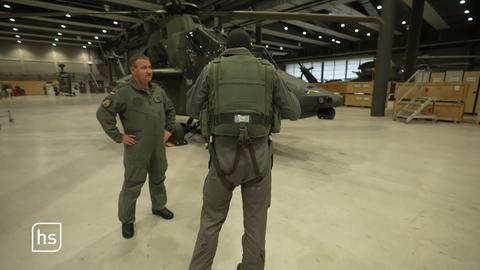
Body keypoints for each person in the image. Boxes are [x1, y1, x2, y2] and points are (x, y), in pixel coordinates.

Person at [187, 28, 301, 270]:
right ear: (249, 47)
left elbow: (191, 107)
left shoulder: (212, 69)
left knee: (210, 221)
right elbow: (294, 110)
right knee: (256, 223)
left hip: (222, 160)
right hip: (258, 161)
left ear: (227, 47)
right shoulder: (268, 71)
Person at [96, 54, 176, 239]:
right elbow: (103, 114)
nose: (149, 71)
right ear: (133, 70)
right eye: (143, 67)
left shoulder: (157, 91)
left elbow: (170, 109)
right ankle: (127, 220)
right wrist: (118, 136)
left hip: (158, 146)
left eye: (149, 67)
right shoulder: (123, 92)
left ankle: (159, 206)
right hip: (137, 147)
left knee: (158, 177)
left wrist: (168, 129)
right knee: (133, 184)